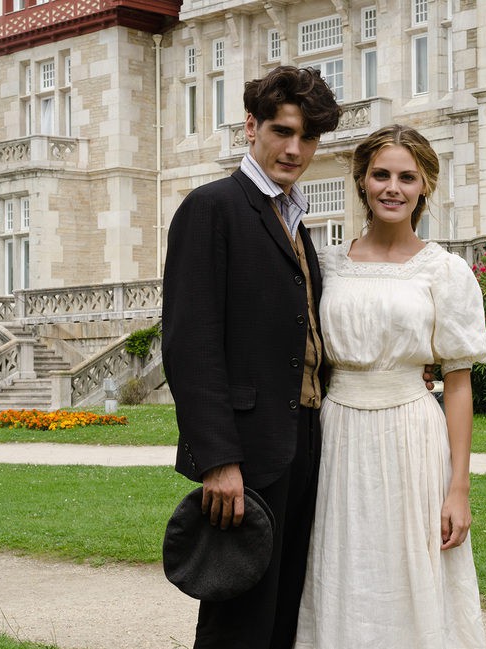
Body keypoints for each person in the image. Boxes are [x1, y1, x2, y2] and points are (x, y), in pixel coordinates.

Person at [161, 66, 341, 649]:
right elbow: (190, 344)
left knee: (287, 611)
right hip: (246, 449)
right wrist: (218, 460)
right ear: (250, 127)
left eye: (308, 137)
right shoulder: (212, 207)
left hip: (303, 437)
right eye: (283, 131)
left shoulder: (293, 219)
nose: (295, 149)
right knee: (238, 620)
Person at [294, 124, 486, 648]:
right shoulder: (327, 264)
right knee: (340, 563)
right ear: (361, 181)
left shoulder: (444, 272)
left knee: (412, 569)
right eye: (381, 174)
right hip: (335, 436)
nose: (392, 187)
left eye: (407, 176)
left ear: (424, 185)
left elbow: (458, 382)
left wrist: (459, 487)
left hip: (412, 436)